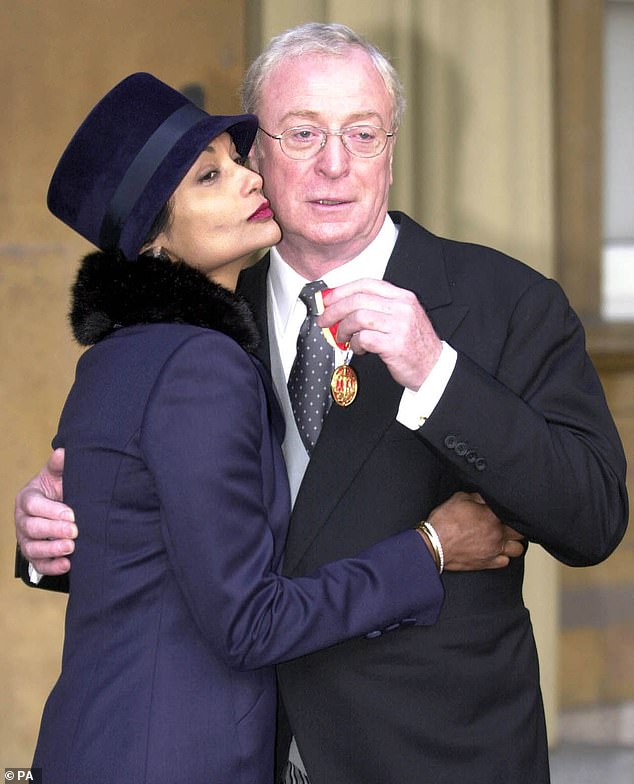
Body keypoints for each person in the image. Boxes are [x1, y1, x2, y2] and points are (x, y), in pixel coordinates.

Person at [15, 22, 628, 784]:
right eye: (303, 133)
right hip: (242, 752)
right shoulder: (193, 314)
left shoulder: (508, 303)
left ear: (393, 152)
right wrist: (54, 531)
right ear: (257, 154)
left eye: (362, 134)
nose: (334, 164)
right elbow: (179, 529)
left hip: (437, 759)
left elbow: (594, 518)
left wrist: (433, 370)